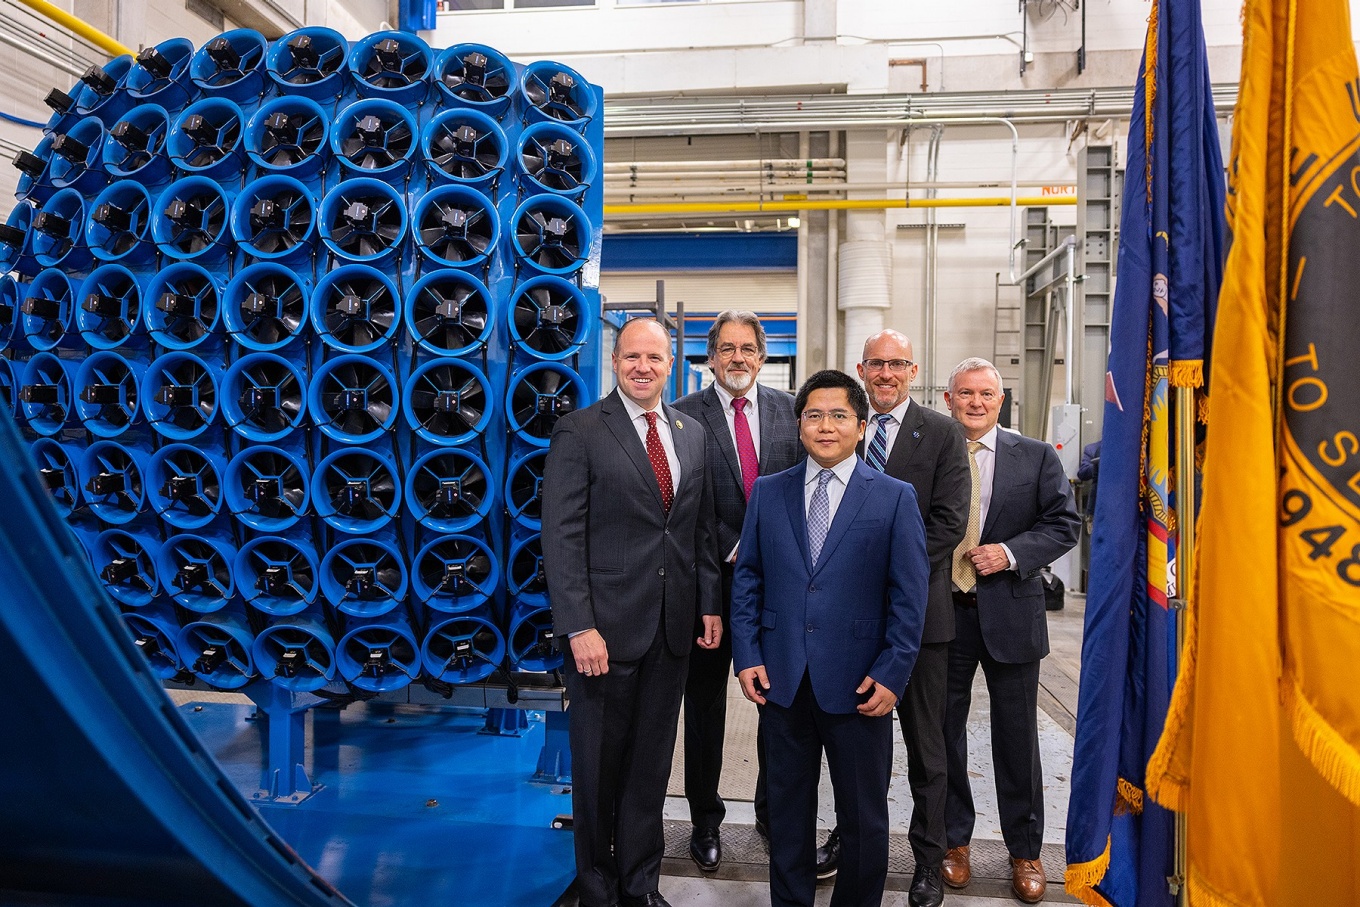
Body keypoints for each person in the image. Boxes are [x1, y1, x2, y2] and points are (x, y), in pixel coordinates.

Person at [730, 369, 930, 907]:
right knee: (787, 811)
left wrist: (893, 673)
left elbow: (910, 598)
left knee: (863, 816)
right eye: (814, 415)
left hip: (861, 682)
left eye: (839, 415)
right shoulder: (768, 494)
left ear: (861, 426)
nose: (825, 426)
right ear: (799, 426)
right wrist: (746, 654)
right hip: (783, 680)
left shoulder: (893, 498)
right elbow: (748, 577)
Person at [541, 317, 723, 907]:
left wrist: (708, 608)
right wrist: (578, 624)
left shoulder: (690, 433)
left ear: (672, 364)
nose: (643, 367)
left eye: (655, 358)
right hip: (604, 633)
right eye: (632, 357)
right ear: (615, 361)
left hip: (671, 630)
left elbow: (695, 532)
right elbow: (561, 536)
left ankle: (640, 885)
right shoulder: (582, 431)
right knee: (597, 768)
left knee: (650, 768)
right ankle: (597, 888)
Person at [812, 331, 970, 907]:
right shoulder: (841, 429)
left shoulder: (944, 433)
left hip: (920, 621)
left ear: (913, 369)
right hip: (848, 627)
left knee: (928, 749)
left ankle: (928, 860)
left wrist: (879, 571)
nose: (885, 373)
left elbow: (949, 523)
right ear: (861, 367)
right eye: (876, 364)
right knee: (858, 752)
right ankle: (852, 841)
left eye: (896, 364)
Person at [938, 358, 1080, 904]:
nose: (976, 403)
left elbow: (1064, 524)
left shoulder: (1036, 456)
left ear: (1001, 402)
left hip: (1010, 614)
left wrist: (1011, 552)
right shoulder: (932, 454)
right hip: (945, 615)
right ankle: (954, 843)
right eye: (966, 393)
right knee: (942, 735)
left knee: (1018, 740)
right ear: (949, 399)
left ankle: (1025, 851)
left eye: (986, 395)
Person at [673, 311, 803, 872]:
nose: (738, 359)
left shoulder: (791, 411)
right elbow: (684, 511)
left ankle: (775, 818)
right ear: (711, 356)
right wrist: (726, 559)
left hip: (779, 588)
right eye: (727, 348)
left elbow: (804, 491)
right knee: (703, 711)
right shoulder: (682, 417)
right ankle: (705, 820)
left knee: (780, 706)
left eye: (748, 348)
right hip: (711, 586)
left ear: (763, 353)